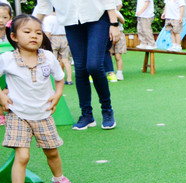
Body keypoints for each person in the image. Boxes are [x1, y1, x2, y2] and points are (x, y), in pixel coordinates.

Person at [1, 15, 78, 183]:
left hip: (43, 114)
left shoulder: (48, 57)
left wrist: (57, 94)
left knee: (52, 151)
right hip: (18, 114)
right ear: (14, 36)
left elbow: (60, 79)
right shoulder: (7, 59)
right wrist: (1, 96)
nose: (34, 35)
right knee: (23, 156)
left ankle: (58, 180)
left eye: (38, 32)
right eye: (27, 32)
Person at [35, 0, 121, 131]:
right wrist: (28, 25)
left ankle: (107, 110)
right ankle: (86, 115)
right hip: (71, 21)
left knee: (94, 66)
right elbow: (43, 6)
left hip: (98, 18)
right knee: (80, 68)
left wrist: (114, 23)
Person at [41, 8, 72, 85]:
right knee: (66, 60)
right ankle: (69, 79)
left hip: (53, 38)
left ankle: (53, 79)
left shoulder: (48, 19)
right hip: (65, 38)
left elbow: (48, 33)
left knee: (52, 59)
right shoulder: (64, 17)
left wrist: (45, 44)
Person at [108, 2, 125, 80]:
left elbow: (123, 21)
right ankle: (110, 72)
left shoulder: (117, 12)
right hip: (109, 36)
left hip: (120, 34)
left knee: (118, 56)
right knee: (109, 55)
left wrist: (117, 16)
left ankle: (119, 73)